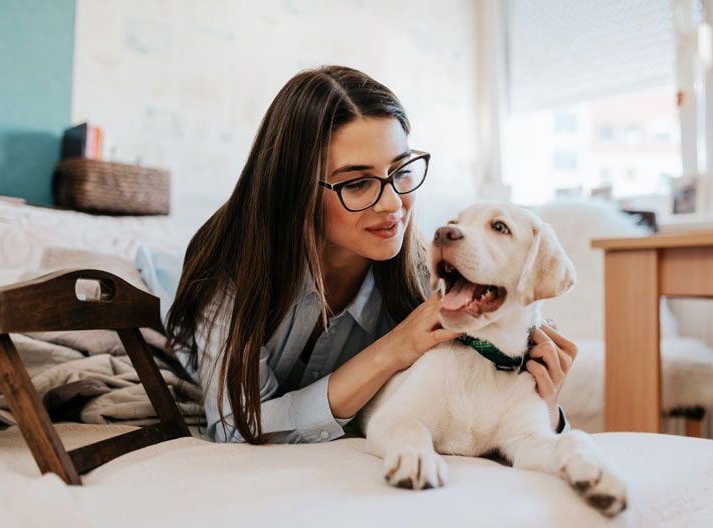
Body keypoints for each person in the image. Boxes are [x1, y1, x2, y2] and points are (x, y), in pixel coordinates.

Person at [163, 65, 578, 445]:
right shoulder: (233, 269)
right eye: (358, 183)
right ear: (296, 191)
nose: (392, 205)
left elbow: (472, 408)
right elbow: (236, 428)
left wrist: (545, 402)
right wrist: (391, 350)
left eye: (400, 172)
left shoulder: (421, 278)